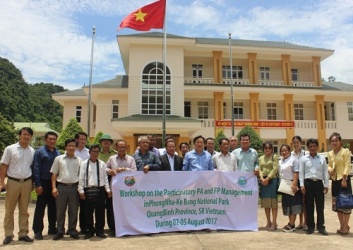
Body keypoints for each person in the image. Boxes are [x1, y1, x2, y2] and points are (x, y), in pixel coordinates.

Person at [0, 127, 35, 244]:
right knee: (9, 209)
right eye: (24, 134)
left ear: (31, 137)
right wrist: (2, 183)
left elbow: (32, 167)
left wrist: (33, 183)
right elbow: (4, 166)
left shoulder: (32, 151)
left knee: (24, 210)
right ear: (19, 135)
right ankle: (8, 234)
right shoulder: (10, 149)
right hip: (13, 182)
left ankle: (23, 233)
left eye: (29, 135)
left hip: (27, 182)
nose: (26, 136)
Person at [50, 139, 82, 240]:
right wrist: (54, 188)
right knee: (60, 210)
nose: (71, 148)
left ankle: (72, 230)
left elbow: (81, 176)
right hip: (62, 187)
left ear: (76, 147)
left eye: (73, 146)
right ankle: (60, 231)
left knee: (73, 210)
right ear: (65, 147)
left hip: (74, 187)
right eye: (69, 146)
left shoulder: (79, 160)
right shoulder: (58, 159)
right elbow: (54, 174)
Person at [78, 144, 111, 239]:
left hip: (100, 189)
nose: (95, 153)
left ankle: (99, 230)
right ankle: (90, 231)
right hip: (88, 189)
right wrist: (81, 190)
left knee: (100, 211)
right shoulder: (84, 164)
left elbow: (105, 178)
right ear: (89, 152)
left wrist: (107, 189)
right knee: (88, 211)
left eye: (97, 152)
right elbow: (81, 177)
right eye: (93, 151)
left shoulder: (102, 164)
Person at [32, 131, 60, 240]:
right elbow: (36, 169)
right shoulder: (40, 152)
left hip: (54, 184)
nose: (52, 141)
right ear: (45, 140)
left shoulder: (58, 153)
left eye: (54, 139)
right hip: (43, 182)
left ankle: (52, 228)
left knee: (53, 207)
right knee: (40, 207)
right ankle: (38, 230)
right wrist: (37, 184)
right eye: (50, 139)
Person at [106, 140, 137, 236]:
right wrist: (111, 171)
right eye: (120, 147)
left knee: (126, 209)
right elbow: (105, 168)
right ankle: (113, 228)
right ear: (116, 148)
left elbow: (135, 171)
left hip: (128, 189)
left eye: (124, 147)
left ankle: (127, 227)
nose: (122, 149)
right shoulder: (112, 159)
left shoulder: (131, 159)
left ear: (126, 148)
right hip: (115, 189)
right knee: (112, 209)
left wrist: (124, 169)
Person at [299, 138, 329, 235]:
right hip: (308, 184)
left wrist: (326, 185)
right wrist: (302, 185)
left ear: (317, 147)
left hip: (319, 184)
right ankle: (310, 227)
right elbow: (301, 173)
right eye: (310, 146)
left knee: (320, 206)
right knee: (309, 206)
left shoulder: (322, 158)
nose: (312, 148)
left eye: (314, 146)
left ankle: (321, 227)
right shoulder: (304, 159)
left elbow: (325, 172)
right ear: (308, 147)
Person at [328, 132, 352, 235]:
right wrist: (329, 170)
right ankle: (342, 225)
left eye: (336, 140)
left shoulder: (346, 152)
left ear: (340, 141)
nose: (334, 142)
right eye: (332, 141)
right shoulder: (330, 153)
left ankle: (346, 226)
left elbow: (347, 165)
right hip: (334, 180)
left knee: (346, 203)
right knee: (338, 204)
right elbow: (329, 165)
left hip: (344, 180)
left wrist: (344, 177)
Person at [279, 144, 302, 232]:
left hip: (292, 184)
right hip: (285, 184)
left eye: (286, 150)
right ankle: (290, 222)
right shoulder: (281, 160)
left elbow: (296, 172)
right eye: (282, 151)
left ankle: (292, 224)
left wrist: (295, 184)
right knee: (287, 204)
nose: (284, 152)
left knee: (293, 204)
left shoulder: (294, 160)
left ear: (289, 151)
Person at [98, 134, 116, 235]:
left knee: (110, 206)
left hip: (111, 180)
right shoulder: (96, 153)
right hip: (99, 182)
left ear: (111, 143)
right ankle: (99, 228)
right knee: (100, 206)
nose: (106, 142)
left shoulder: (114, 154)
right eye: (104, 141)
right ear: (101, 143)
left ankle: (112, 227)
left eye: (108, 141)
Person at [258, 141, 279, 231]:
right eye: (265, 148)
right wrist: (262, 178)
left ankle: (274, 223)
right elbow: (259, 168)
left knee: (273, 203)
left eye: (269, 148)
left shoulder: (275, 157)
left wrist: (268, 178)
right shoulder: (261, 158)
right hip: (263, 182)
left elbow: (275, 169)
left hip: (272, 181)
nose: (267, 149)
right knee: (266, 203)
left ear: (272, 149)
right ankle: (268, 222)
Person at [74, 131, 89, 234]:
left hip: (85, 182)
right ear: (76, 140)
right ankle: (71, 228)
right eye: (81, 139)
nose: (83, 141)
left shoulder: (88, 152)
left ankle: (84, 227)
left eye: (84, 139)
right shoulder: (71, 150)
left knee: (84, 206)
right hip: (73, 182)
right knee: (73, 207)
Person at [291, 135, 307, 230]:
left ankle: (305, 222)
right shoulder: (291, 154)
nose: (296, 144)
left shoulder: (305, 153)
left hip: (304, 181)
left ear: (301, 143)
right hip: (295, 180)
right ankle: (300, 222)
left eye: (297, 142)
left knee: (305, 202)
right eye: (294, 143)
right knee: (299, 202)